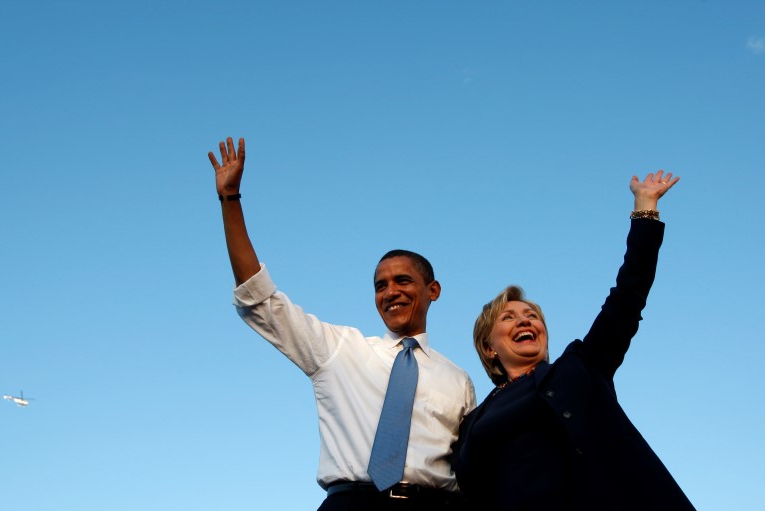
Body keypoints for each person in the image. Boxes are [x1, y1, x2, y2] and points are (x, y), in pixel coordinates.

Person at [207, 136, 476, 510]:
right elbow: (260, 299)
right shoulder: (338, 349)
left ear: (433, 290)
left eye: (403, 281)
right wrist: (230, 200)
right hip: (352, 503)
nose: (390, 292)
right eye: (380, 285)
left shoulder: (458, 380)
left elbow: (473, 465)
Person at [454, 170, 695, 510]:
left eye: (532, 316)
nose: (525, 320)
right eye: (508, 318)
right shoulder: (473, 421)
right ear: (489, 347)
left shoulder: (580, 368)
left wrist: (645, 209)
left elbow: (627, 299)